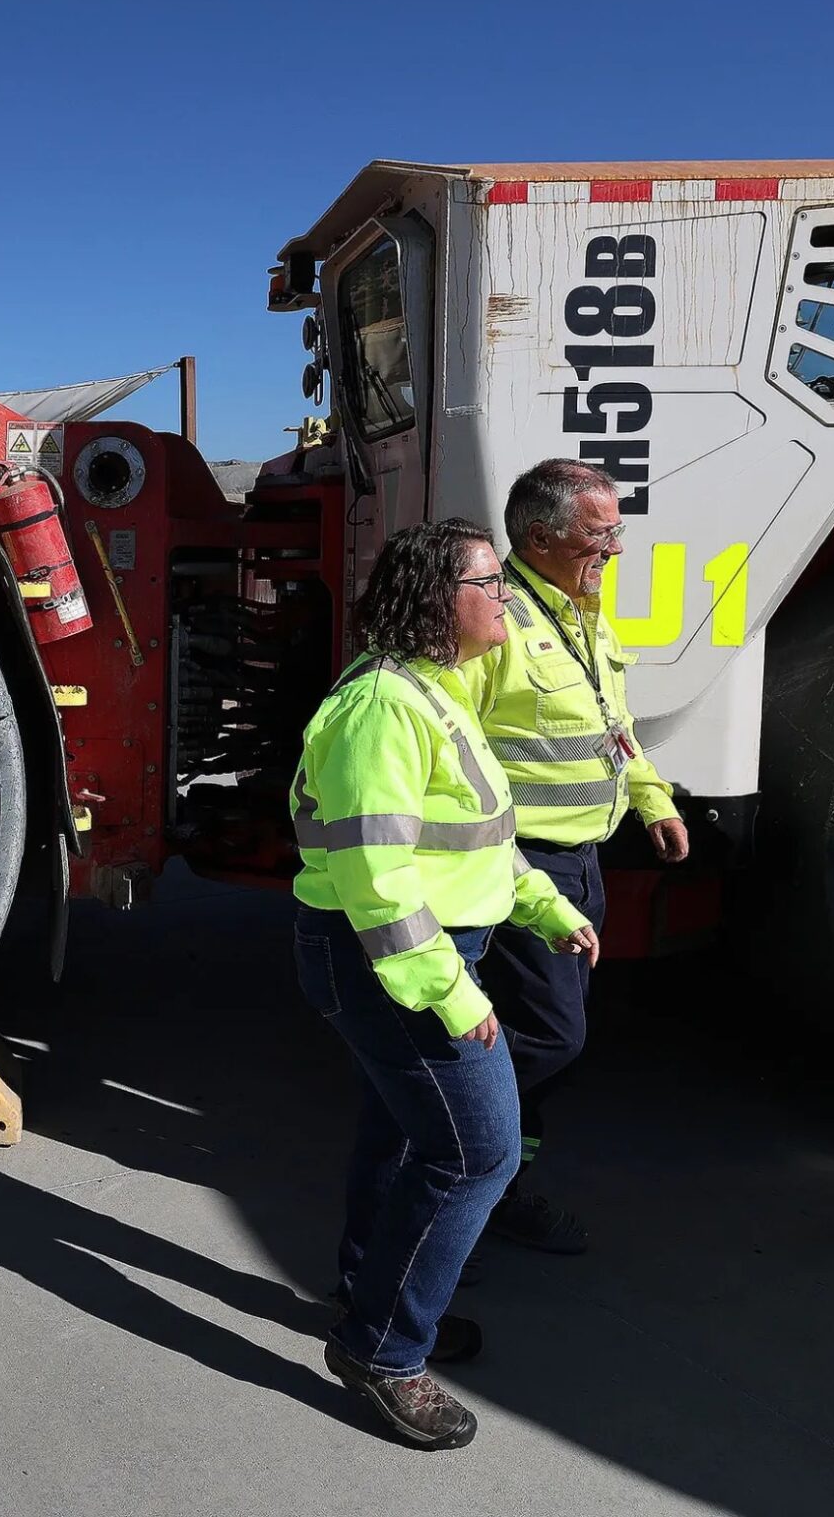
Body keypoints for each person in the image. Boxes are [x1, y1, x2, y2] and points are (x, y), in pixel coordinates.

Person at [291, 517, 600, 1449]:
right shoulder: (385, 706)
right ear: (439, 599)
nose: (505, 596)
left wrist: (545, 906)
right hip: (392, 957)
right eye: (490, 582)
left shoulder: (436, 688)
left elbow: (477, 838)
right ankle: (383, 1350)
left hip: (419, 954)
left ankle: (372, 1293)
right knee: (478, 1152)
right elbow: (375, 877)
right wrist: (452, 993)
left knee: (405, 1133)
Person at [460, 458, 687, 1255]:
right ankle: (456, 1166)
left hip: (581, 862)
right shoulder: (499, 621)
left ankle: (497, 1190)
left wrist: (652, 800)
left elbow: (611, 723)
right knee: (551, 1038)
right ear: (540, 536)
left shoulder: (581, 610)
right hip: (522, 868)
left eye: (617, 529)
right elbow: (456, 754)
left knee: (548, 1035)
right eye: (601, 533)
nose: (617, 548)